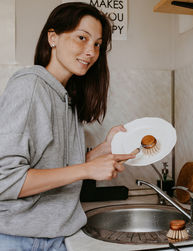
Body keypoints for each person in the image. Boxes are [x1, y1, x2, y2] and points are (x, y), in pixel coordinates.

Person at [0, 2, 136, 250]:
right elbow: (4, 180)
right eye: (81, 38)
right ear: (53, 37)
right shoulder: (29, 87)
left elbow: (51, 165)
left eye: (97, 44)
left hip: (54, 234)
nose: (91, 52)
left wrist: (101, 151)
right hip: (21, 239)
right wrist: (87, 170)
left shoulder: (65, 96)